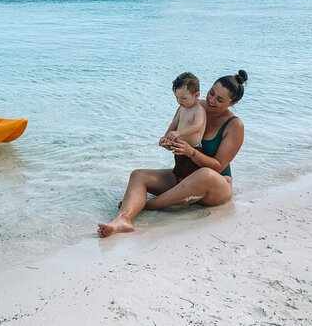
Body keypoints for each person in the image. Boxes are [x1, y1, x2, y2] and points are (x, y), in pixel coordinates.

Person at [98, 70, 248, 238]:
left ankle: (147, 205)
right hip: (183, 176)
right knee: (138, 175)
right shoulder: (191, 105)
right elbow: (174, 131)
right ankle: (123, 220)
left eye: (219, 99)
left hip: (216, 186)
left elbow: (218, 166)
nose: (211, 100)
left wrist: (191, 152)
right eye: (211, 93)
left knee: (205, 174)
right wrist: (167, 141)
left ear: (232, 102)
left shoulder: (234, 125)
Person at [160, 72, 206, 151]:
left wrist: (179, 133)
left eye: (184, 98)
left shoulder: (198, 110)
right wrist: (166, 137)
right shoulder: (182, 108)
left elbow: (197, 126)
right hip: (179, 147)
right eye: (177, 97)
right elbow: (174, 124)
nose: (179, 101)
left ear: (196, 95)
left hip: (193, 150)